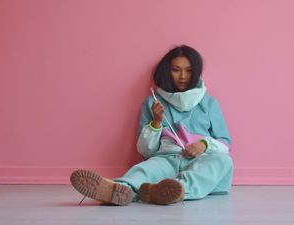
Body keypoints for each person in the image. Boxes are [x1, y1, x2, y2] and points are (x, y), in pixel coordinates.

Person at [70, 45, 233, 205]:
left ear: (196, 71)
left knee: (223, 161)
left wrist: (204, 145)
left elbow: (225, 144)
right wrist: (156, 121)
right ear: (167, 71)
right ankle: (119, 189)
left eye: (189, 70)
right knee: (144, 169)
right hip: (166, 159)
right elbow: (145, 150)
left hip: (200, 160)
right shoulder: (153, 102)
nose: (183, 76)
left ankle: (176, 190)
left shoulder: (209, 103)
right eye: (176, 70)